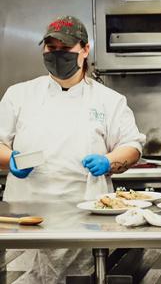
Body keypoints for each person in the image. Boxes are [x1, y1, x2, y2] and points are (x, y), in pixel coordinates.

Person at [0, 15, 146, 283]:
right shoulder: (19, 95)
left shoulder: (108, 100)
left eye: (65, 49)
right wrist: (11, 159)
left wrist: (108, 160)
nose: (57, 55)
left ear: (85, 49)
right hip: (25, 217)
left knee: (77, 278)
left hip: (83, 216)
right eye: (51, 49)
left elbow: (132, 146)